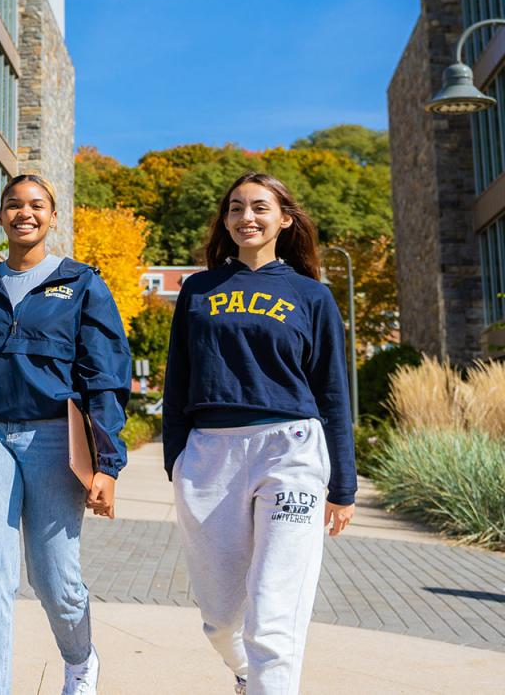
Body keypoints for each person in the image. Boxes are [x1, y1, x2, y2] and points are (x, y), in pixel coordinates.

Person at [0, 174, 132, 695]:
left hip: (54, 441)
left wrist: (108, 463)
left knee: (54, 581)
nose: (25, 212)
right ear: (1, 216)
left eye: (37, 205)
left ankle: (81, 660)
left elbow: (105, 376)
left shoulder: (82, 283)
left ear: (53, 217)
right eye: (13, 204)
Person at [162, 172, 356, 695]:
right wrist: (177, 462)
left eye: (259, 207)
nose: (246, 217)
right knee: (222, 619)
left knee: (273, 617)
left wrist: (344, 486)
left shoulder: (311, 296)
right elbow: (176, 379)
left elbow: (333, 394)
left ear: (284, 219)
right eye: (235, 208)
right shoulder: (199, 290)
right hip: (209, 455)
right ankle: (246, 674)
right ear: (225, 221)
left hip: (289, 450)